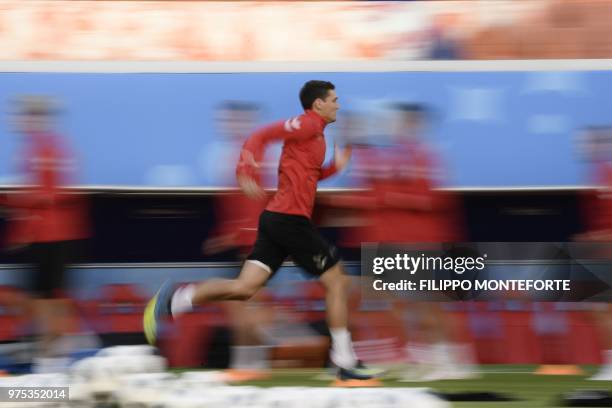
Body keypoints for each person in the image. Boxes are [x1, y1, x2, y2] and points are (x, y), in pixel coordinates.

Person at [144, 80, 381, 380]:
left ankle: (175, 299)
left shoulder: (316, 135)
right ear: (318, 104)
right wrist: (246, 169)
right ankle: (344, 362)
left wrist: (335, 166)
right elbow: (261, 134)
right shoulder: (307, 124)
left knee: (244, 288)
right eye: (333, 99)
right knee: (338, 282)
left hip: (276, 220)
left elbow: (308, 175)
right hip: (289, 221)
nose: (338, 104)